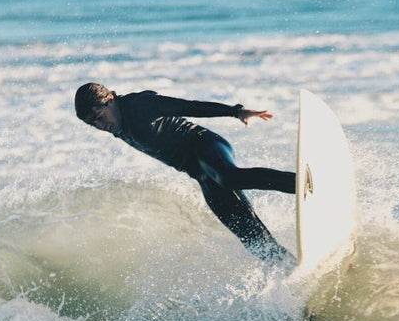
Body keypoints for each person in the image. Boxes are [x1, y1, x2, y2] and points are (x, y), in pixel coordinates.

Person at [74, 82, 296, 263]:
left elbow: (188, 107)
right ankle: (290, 270)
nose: (100, 126)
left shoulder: (139, 105)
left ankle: (299, 182)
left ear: (111, 99)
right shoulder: (116, 124)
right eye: (92, 124)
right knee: (251, 237)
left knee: (228, 177)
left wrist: (235, 111)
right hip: (202, 175)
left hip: (206, 146)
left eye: (100, 116)